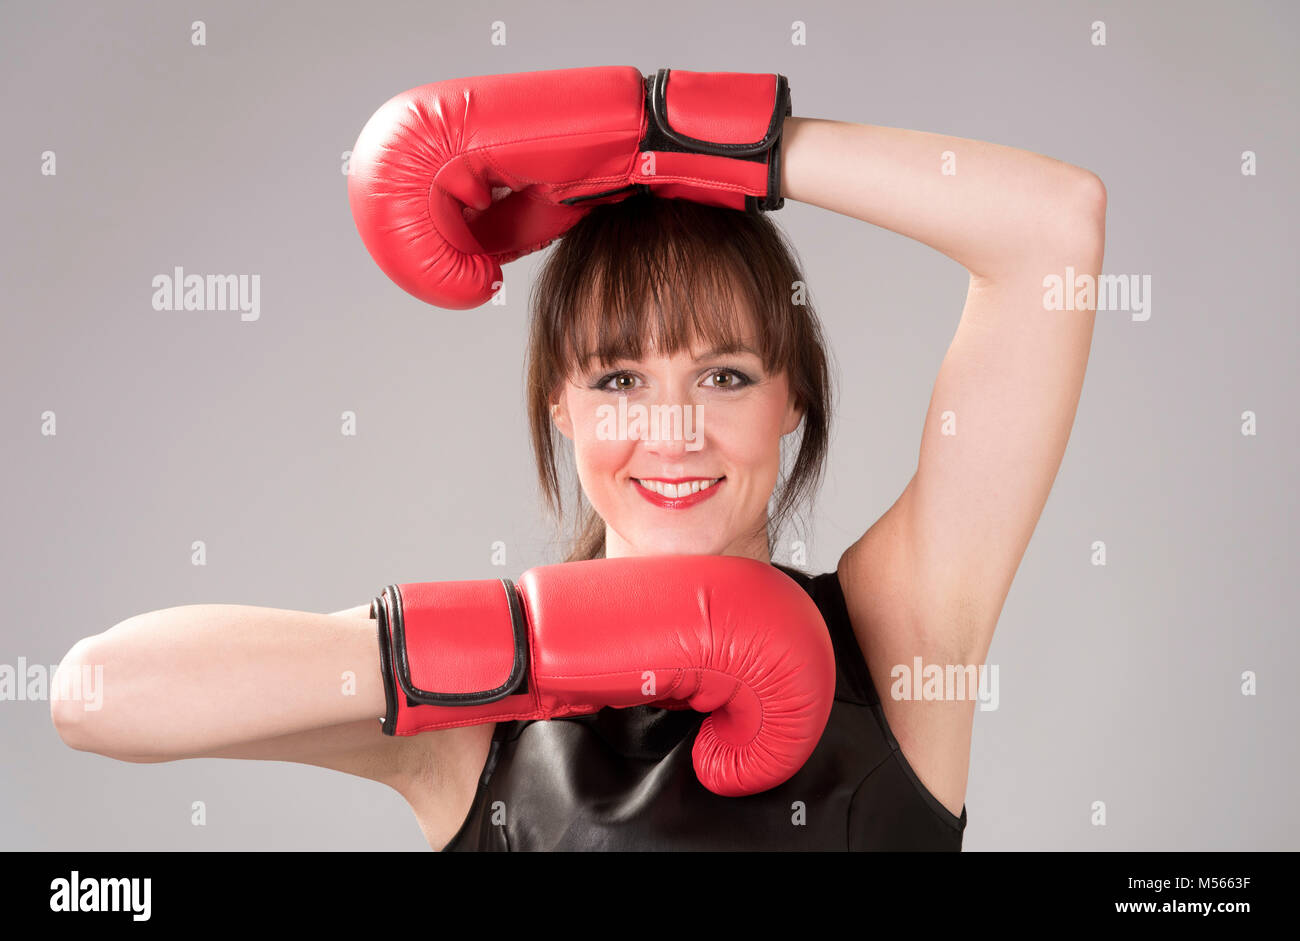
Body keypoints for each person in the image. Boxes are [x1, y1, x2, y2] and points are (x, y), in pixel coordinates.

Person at [52, 68, 1105, 851]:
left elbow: (1051, 229)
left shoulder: (893, 635)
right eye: (617, 380)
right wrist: (539, 648)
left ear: (794, 399)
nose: (675, 431)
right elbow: (101, 694)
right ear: (559, 405)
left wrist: (674, 128)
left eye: (726, 376)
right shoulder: (480, 722)